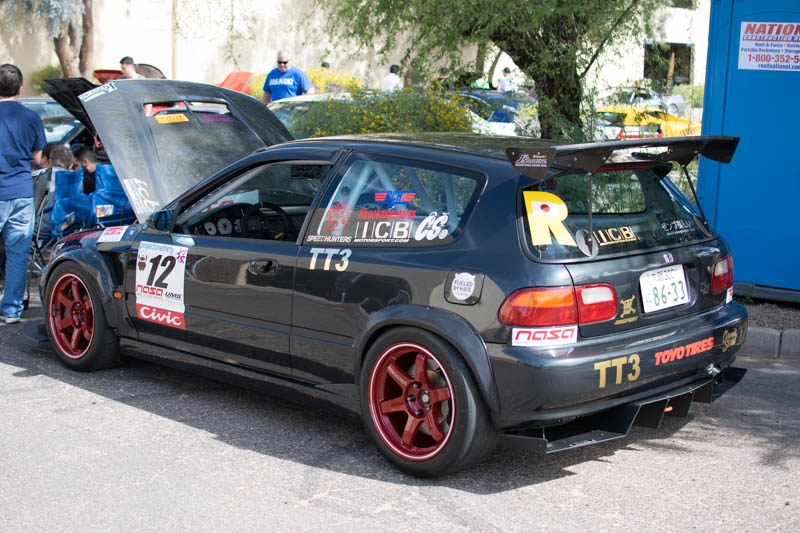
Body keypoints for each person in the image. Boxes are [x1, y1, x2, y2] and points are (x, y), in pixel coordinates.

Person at [0, 64, 46, 324]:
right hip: (21, 193)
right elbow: (37, 158)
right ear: (19, 89)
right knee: (18, 254)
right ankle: (11, 310)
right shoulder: (31, 117)